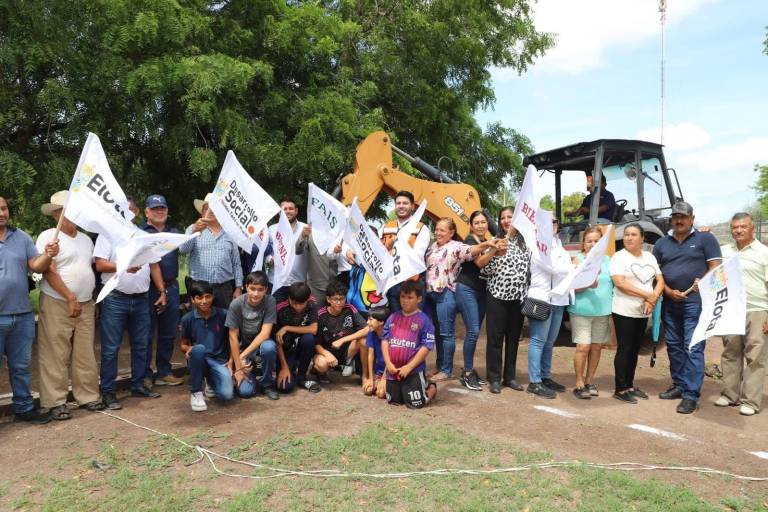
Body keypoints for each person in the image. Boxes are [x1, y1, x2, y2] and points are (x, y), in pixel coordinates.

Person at [36, 191, 103, 420]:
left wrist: (86, 297)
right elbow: (48, 270)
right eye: (66, 211)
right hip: (58, 301)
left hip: (85, 302)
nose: (72, 216)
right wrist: (70, 297)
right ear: (56, 214)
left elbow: (88, 268)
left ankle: (88, 396)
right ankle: (55, 401)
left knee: (85, 352)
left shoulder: (85, 239)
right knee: (55, 352)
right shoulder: (48, 236)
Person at [653, 201, 721, 414]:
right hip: (670, 301)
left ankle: (691, 395)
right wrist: (668, 291)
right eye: (675, 217)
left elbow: (716, 268)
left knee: (693, 346)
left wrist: (698, 286)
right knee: (673, 345)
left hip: (695, 303)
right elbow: (657, 274)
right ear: (671, 220)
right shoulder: (661, 244)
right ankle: (680, 385)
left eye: (683, 217)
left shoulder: (705, 238)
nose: (679, 220)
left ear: (692, 218)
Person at [0, 195, 59, 424]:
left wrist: (48, 255)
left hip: (22, 315)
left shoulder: (21, 237)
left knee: (21, 367)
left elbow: (36, 266)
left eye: (4, 208)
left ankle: (24, 409)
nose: (2, 213)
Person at [94, 233, 167, 409]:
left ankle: (138, 384)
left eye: (132, 210)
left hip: (142, 298)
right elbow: (100, 264)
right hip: (115, 298)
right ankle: (108, 392)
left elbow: (154, 264)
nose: (129, 214)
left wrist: (162, 291)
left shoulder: (143, 236)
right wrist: (124, 266)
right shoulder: (106, 236)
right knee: (111, 348)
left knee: (142, 344)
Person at [425, 218, 502, 382]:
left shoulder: (456, 246)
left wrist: (488, 244)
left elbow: (472, 249)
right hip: (432, 294)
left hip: (446, 294)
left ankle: (446, 370)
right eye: (437, 229)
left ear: (451, 232)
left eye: (442, 230)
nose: (438, 233)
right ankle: (440, 365)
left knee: (447, 334)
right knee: (439, 333)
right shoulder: (433, 247)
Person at [716, 212, 768, 416]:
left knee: (755, 355)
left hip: (757, 309)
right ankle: (730, 395)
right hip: (730, 309)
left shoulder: (763, 253)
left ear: (752, 228)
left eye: (743, 227)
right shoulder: (724, 251)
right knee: (730, 352)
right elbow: (715, 277)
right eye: (735, 227)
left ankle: (751, 401)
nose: (738, 230)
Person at [609, 223, 664, 403]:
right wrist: (649, 296)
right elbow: (621, 284)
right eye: (626, 235)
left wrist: (653, 298)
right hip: (624, 310)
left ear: (642, 238)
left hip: (643, 311)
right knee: (624, 349)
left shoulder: (649, 256)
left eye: (633, 235)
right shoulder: (619, 257)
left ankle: (630, 385)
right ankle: (620, 388)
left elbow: (660, 280)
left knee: (634, 349)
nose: (629, 238)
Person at [482, 207, 531, 394]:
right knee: (495, 339)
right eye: (502, 218)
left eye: (510, 217)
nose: (506, 220)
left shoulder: (525, 242)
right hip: (497, 296)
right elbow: (484, 271)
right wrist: (495, 253)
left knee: (513, 339)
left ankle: (509, 377)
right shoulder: (495, 241)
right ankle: (494, 378)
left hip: (517, 298)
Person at [526, 217, 574, 399]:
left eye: (554, 222)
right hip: (542, 298)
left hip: (559, 299)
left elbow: (563, 267)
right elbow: (553, 268)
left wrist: (571, 267)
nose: (552, 224)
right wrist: (573, 268)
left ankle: (545, 376)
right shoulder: (537, 245)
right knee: (538, 340)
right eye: (548, 221)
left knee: (549, 342)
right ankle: (534, 381)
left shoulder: (558, 243)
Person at [140, 194, 183, 387]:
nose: (159, 212)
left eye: (162, 208)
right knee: (146, 332)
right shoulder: (139, 231)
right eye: (155, 209)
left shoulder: (174, 232)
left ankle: (164, 371)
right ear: (146, 212)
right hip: (147, 288)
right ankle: (145, 374)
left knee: (168, 333)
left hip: (171, 286)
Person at [569, 226, 614, 399]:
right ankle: (579, 383)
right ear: (584, 243)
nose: (593, 244)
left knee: (596, 347)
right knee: (583, 347)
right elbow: (572, 287)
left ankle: (589, 380)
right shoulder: (577, 260)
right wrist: (588, 284)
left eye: (597, 241)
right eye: (589, 241)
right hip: (581, 310)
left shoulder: (608, 260)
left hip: (602, 311)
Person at [382, 280, 437, 408]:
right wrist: (388, 363)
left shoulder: (424, 320)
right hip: (393, 370)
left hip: (413, 371)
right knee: (393, 401)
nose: (405, 300)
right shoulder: (392, 317)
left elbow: (427, 346)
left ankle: (432, 387)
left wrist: (410, 366)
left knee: (416, 404)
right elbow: (385, 340)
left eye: (410, 297)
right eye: (403, 297)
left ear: (419, 299)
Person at [181, 194, 243, 308]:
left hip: (224, 288)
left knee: (224, 321)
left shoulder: (230, 233)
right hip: (200, 287)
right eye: (207, 208)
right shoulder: (193, 228)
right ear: (202, 212)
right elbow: (183, 249)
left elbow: (236, 263)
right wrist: (194, 230)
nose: (211, 211)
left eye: (215, 208)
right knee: (199, 322)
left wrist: (238, 287)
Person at [180, 280, 234, 412]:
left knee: (227, 395)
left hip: (219, 361)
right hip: (200, 359)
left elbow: (232, 340)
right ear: (192, 300)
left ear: (213, 297)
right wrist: (189, 349)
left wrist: (232, 361)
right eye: (199, 298)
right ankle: (196, 392)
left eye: (207, 297)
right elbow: (183, 345)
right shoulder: (187, 319)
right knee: (199, 349)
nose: (204, 301)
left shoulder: (223, 314)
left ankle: (211, 381)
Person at [225, 271, 279, 400]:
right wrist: (238, 367)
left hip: (260, 346)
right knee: (246, 393)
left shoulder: (270, 301)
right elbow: (233, 337)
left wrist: (242, 356)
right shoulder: (236, 304)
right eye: (252, 289)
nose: (256, 294)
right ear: (245, 287)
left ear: (266, 290)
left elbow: (265, 333)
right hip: (242, 347)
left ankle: (267, 384)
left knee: (269, 347)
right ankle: (250, 378)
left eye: (260, 290)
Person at [455, 211, 494, 391]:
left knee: (475, 333)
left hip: (481, 291)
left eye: (483, 222)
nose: (480, 225)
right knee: (473, 331)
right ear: (471, 225)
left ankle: (469, 369)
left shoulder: (486, 241)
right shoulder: (469, 241)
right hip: (466, 289)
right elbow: (479, 263)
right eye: (476, 222)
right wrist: (494, 248)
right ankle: (468, 373)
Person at [379, 191, 430, 311]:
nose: (401, 206)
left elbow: (417, 255)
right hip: (391, 282)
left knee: (412, 322)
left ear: (412, 206)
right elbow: (378, 251)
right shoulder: (385, 227)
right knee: (395, 321)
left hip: (412, 283)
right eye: (398, 203)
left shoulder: (421, 228)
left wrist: (394, 250)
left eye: (405, 203)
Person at [313, 280, 369, 382]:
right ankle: (319, 371)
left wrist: (342, 340)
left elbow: (367, 329)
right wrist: (327, 354)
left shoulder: (350, 309)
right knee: (322, 364)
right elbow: (316, 343)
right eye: (335, 299)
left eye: (342, 299)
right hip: (326, 351)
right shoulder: (320, 315)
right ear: (328, 299)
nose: (339, 303)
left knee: (364, 341)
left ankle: (365, 375)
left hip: (346, 350)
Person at [274, 282, 321, 393]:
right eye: (294, 303)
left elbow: (313, 329)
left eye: (302, 304)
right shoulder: (280, 308)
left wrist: (287, 328)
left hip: (302, 346)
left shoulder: (312, 303)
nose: (298, 307)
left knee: (309, 338)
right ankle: (290, 369)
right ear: (289, 298)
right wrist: (284, 367)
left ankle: (302, 377)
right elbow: (277, 340)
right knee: (284, 388)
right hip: (285, 349)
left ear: (308, 299)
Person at [268, 198, 308, 302]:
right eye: (284, 208)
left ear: (296, 211)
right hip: (277, 282)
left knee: (298, 314)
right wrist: (269, 260)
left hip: (299, 282)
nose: (287, 211)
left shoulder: (305, 229)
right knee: (278, 314)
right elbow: (265, 253)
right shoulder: (272, 229)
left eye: (291, 208)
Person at [295, 224, 338, 306]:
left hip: (335, 287)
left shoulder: (337, 232)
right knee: (315, 315)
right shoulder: (310, 232)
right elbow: (298, 250)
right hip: (315, 287)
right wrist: (303, 236)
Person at [364, 306, 390, 398]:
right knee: (368, 390)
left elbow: (390, 359)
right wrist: (371, 378)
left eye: (370, 320)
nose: (367, 322)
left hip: (390, 371)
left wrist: (384, 379)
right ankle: (377, 381)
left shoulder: (390, 335)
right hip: (379, 371)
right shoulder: (372, 333)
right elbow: (370, 356)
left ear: (381, 322)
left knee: (381, 393)